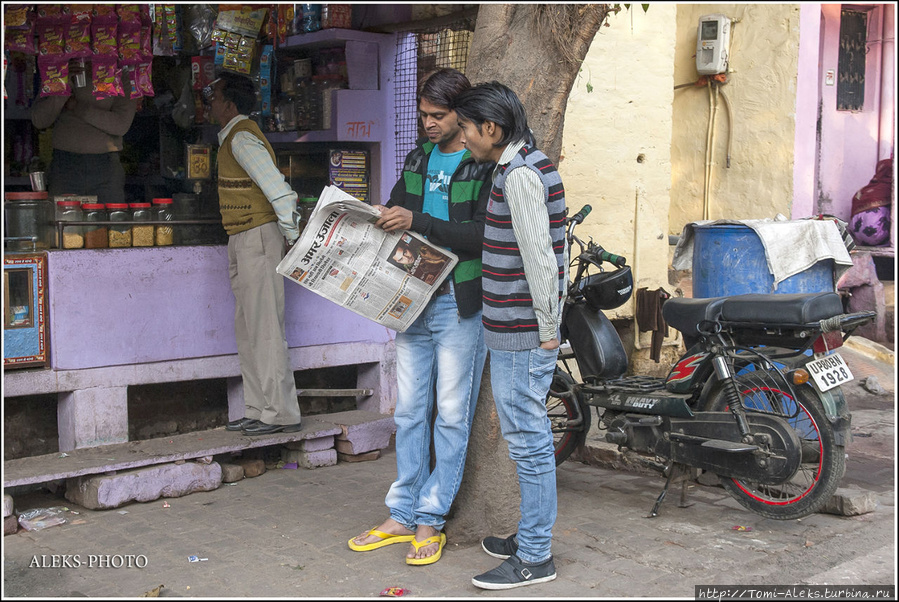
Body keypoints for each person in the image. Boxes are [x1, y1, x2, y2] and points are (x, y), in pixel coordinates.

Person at [348, 68, 493, 566]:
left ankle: (431, 517)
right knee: (409, 412)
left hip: (458, 300)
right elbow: (401, 208)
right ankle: (402, 512)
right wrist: (376, 214)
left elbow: (482, 236)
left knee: (451, 415)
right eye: (423, 115)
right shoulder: (417, 156)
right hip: (412, 298)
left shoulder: (481, 165)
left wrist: (418, 221)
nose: (428, 124)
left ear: (463, 114)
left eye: (438, 116)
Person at [452, 82, 568, 590]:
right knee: (529, 439)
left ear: (491, 129)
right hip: (517, 330)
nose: (463, 138)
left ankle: (536, 556)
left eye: (466, 129)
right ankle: (529, 539)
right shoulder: (521, 165)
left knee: (529, 443)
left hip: (523, 333)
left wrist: (546, 331)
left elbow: (540, 259)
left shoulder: (520, 175)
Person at [204, 71, 303, 436]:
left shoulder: (242, 138)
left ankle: (280, 414)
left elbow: (278, 190)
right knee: (248, 328)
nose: (209, 102)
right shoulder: (233, 137)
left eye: (213, 96)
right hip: (244, 238)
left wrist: (291, 235)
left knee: (263, 328)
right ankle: (259, 408)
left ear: (229, 104)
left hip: (258, 238)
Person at [30, 60, 137, 204]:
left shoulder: (121, 73)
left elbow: (121, 125)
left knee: (108, 223)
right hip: (65, 164)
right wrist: (63, 86)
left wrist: (77, 107)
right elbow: (39, 120)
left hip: (105, 165)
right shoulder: (59, 70)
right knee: (64, 222)